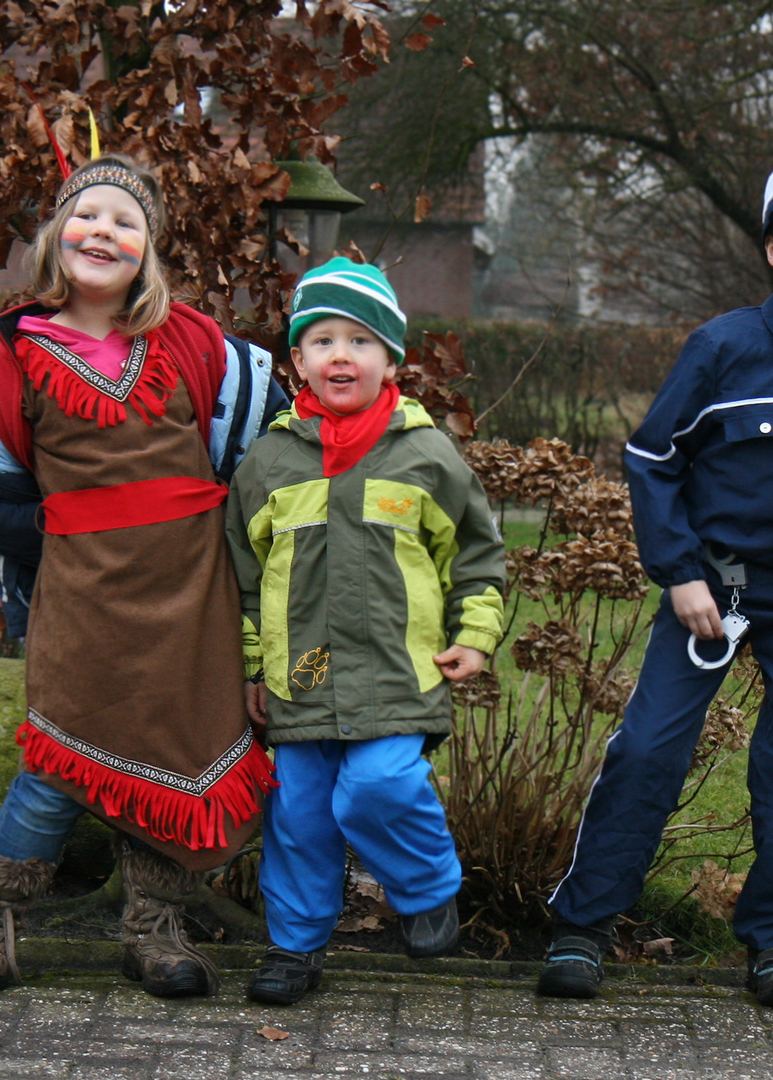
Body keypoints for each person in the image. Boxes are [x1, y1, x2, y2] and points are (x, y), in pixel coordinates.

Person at [536, 140, 773, 1009]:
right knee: (646, 751)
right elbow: (651, 457)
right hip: (709, 592)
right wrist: (678, 573)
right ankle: (583, 926)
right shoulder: (723, 347)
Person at [0, 153, 288, 998]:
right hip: (82, 595)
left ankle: (153, 929)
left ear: (149, 251)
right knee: (59, 758)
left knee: (184, 745)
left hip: (195, 595)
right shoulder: (13, 363)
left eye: (126, 222)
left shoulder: (199, 348)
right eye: (87, 215)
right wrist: (70, 542)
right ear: (56, 237)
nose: (105, 231)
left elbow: (259, 452)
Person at [224, 258, 507, 1005]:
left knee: (377, 788)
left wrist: (476, 634)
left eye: (360, 340)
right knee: (301, 818)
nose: (340, 355)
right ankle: (294, 948)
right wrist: (253, 669)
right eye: (321, 341)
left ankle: (424, 890)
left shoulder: (425, 456)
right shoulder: (269, 463)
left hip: (396, 671)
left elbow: (477, 557)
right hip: (300, 678)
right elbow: (244, 580)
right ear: (298, 363)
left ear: (391, 359)